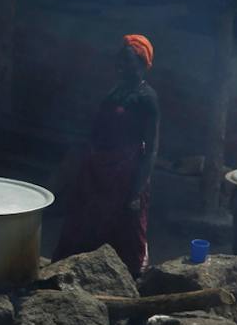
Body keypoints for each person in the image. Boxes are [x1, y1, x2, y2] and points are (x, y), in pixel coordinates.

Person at [52, 35, 159, 277]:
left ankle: (126, 280)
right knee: (84, 221)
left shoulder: (147, 98)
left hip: (125, 173)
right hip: (98, 169)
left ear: (142, 64)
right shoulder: (116, 91)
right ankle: (74, 273)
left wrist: (137, 191)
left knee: (123, 228)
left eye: (127, 62)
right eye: (119, 61)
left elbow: (152, 147)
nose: (120, 66)